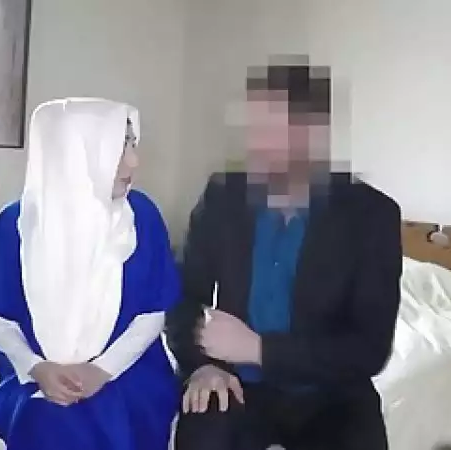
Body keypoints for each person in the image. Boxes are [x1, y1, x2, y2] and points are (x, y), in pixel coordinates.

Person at [166, 63, 402, 450]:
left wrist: (259, 349)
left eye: (277, 129)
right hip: (234, 384)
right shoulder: (223, 196)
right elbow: (181, 295)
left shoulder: (370, 215)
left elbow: (369, 347)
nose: (260, 145)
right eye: (256, 128)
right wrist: (202, 365)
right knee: (202, 435)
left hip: (330, 394)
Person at [0, 98, 180, 450]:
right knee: (46, 419)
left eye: (132, 144)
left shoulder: (143, 218)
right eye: (119, 148)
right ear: (75, 153)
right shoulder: (15, 224)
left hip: (128, 369)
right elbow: (0, 317)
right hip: (38, 370)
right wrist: (37, 368)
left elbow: (152, 315)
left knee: (113, 417)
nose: (134, 161)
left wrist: (101, 370)